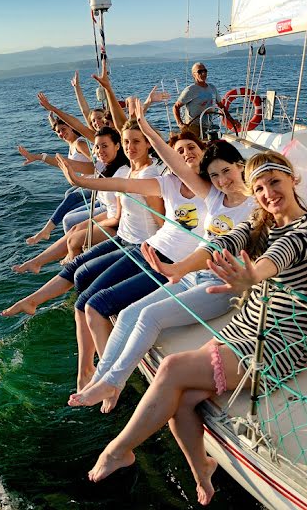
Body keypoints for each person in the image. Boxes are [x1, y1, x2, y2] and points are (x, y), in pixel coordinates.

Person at [85, 150, 307, 506]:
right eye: (259, 187)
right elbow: (223, 242)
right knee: (182, 401)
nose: (268, 193)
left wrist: (253, 274)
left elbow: (283, 254)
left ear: (293, 181)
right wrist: (182, 268)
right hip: (244, 328)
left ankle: (117, 450)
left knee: (170, 368)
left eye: (275, 182)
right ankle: (203, 470)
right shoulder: (260, 221)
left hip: (279, 342)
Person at [69, 103, 257, 413]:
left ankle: (113, 381)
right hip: (192, 275)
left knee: (150, 317)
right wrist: (147, 130)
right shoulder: (214, 197)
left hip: (221, 287)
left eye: (227, 171)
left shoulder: (253, 206)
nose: (222, 179)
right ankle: (103, 381)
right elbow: (178, 165)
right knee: (130, 314)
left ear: (240, 166)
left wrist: (176, 268)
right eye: (215, 175)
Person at [2, 118, 164, 390]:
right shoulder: (129, 173)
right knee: (79, 268)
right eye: (127, 142)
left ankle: (98, 370)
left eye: (136, 141)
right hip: (125, 237)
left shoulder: (151, 175)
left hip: (141, 247)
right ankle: (35, 304)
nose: (130, 146)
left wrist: (160, 257)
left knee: (86, 296)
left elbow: (162, 223)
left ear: (149, 143)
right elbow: (121, 214)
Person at [57, 109, 209, 363]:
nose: (185, 154)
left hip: (171, 261)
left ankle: (104, 374)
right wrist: (81, 182)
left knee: (97, 302)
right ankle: (99, 367)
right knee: (87, 293)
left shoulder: (214, 189)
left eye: (191, 147)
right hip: (149, 250)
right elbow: (122, 185)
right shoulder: (168, 183)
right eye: (179, 151)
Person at [12, 126, 127, 274]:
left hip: (120, 223)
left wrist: (74, 180)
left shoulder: (122, 172)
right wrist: (41, 157)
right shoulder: (101, 165)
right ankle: (36, 262)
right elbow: (71, 164)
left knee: (74, 240)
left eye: (105, 146)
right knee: (74, 229)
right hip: (111, 215)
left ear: (117, 146)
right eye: (97, 146)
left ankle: (72, 273)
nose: (99, 150)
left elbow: (119, 216)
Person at [18, 115, 93, 244]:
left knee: (72, 197)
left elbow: (98, 164)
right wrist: (36, 157)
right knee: (68, 193)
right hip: (87, 183)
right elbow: (60, 162)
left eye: (63, 129)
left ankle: (46, 231)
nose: (61, 134)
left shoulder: (80, 144)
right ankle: (77, 224)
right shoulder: (72, 144)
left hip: (96, 184)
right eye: (58, 132)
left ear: (71, 127)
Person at [173, 62, 221, 138]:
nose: (203, 73)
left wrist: (230, 119)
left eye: (205, 71)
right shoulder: (190, 90)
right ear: (193, 74)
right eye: (200, 71)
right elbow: (176, 107)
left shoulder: (212, 88)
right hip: (194, 126)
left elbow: (221, 105)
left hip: (209, 125)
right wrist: (180, 124)